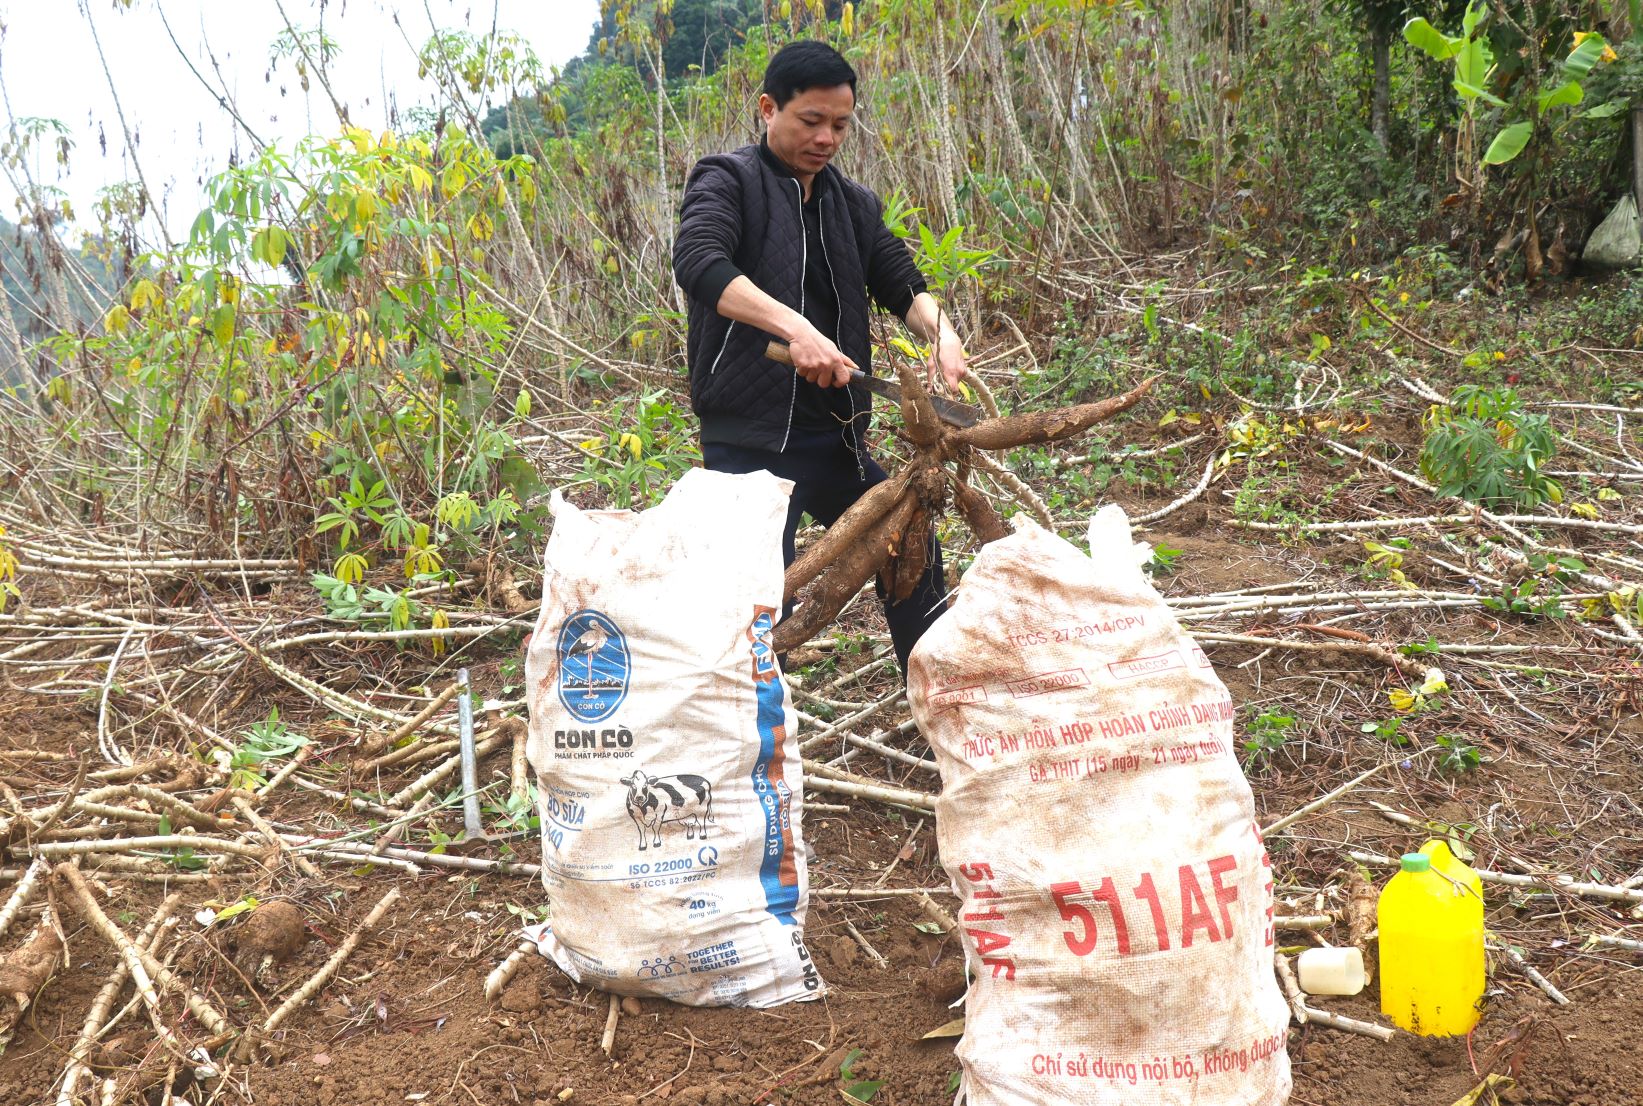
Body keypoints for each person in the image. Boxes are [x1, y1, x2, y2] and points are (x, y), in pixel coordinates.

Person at [671, 40, 967, 678]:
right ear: (768, 109)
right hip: (749, 445)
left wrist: (940, 331)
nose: (827, 138)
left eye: (840, 124)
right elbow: (699, 263)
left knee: (907, 545)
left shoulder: (851, 204)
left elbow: (900, 281)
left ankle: (941, 694)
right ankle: (741, 742)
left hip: (834, 436)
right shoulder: (727, 180)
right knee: (751, 608)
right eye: (811, 121)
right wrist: (794, 326)